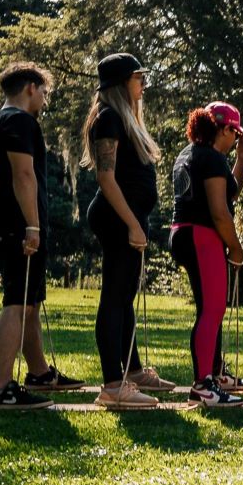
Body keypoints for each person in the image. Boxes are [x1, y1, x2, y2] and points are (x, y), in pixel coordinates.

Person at [0, 62, 81, 406]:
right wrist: (32, 226)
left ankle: (39, 373)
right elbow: (23, 176)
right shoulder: (20, 121)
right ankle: (0, 388)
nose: (45, 100)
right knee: (16, 304)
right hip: (17, 225)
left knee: (30, 302)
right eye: (45, 92)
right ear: (30, 88)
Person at [81, 52, 168, 409]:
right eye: (137, 77)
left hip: (130, 218)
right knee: (114, 297)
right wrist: (132, 223)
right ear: (120, 82)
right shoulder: (108, 118)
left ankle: (131, 372)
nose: (143, 82)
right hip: (117, 218)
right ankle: (113, 384)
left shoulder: (125, 117)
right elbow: (106, 177)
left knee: (125, 295)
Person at [170, 106, 243, 404]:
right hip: (202, 235)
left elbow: (229, 193)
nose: (235, 140)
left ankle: (213, 373)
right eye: (235, 134)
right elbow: (220, 211)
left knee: (208, 308)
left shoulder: (189, 154)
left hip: (183, 231)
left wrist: (241, 158)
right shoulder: (212, 159)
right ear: (225, 129)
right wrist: (236, 247)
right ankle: (203, 384)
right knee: (213, 309)